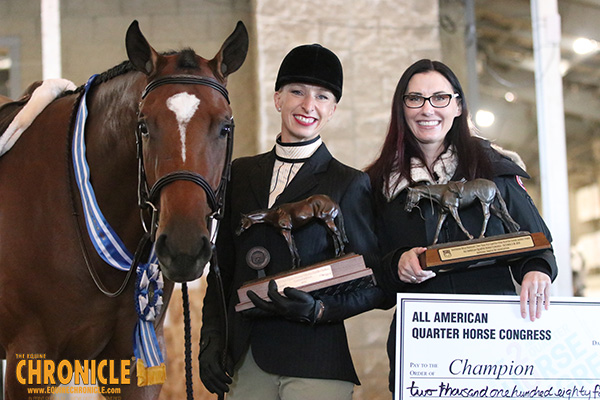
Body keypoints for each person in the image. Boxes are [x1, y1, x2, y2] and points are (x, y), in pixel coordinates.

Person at [199, 43, 385, 400]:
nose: (308, 105)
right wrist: (211, 338)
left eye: (322, 97)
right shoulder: (238, 173)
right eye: (297, 92)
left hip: (315, 360)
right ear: (277, 99)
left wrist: (320, 310)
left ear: (332, 110)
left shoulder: (348, 183)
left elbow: (375, 283)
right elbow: (221, 269)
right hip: (244, 360)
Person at [364, 59, 558, 393]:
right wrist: (397, 264)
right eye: (415, 99)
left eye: (440, 98)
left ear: (457, 105)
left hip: (493, 337)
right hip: (421, 341)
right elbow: (370, 267)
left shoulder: (494, 166)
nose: (428, 109)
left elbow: (533, 238)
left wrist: (537, 269)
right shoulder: (378, 184)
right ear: (402, 108)